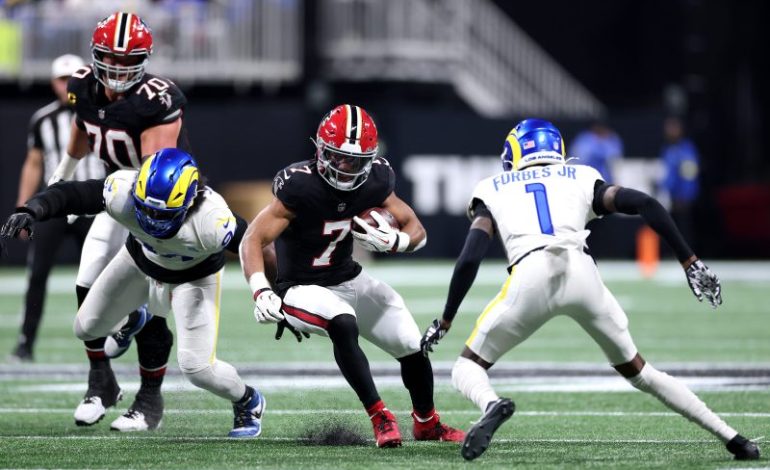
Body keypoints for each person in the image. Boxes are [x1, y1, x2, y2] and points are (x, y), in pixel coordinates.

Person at [420, 119, 760, 461]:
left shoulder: (492, 187)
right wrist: (690, 261)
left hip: (531, 274)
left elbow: (470, 257)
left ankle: (491, 404)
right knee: (642, 372)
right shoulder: (580, 176)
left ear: (514, 153)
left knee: (466, 368)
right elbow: (646, 203)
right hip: (582, 272)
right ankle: (734, 438)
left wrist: (447, 318)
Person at [239, 104, 465, 447]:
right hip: (300, 287)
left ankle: (427, 423)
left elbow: (416, 229)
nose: (346, 167)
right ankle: (380, 416)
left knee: (410, 343)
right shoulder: (300, 185)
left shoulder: (376, 179)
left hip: (347, 276)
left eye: (356, 161)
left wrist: (397, 241)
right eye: (339, 157)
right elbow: (253, 239)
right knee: (343, 322)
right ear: (320, 150)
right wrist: (261, 290)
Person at [1, 148, 267, 438]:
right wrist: (32, 209)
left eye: (161, 213)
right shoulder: (122, 190)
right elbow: (72, 194)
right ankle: (134, 318)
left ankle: (248, 401)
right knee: (86, 327)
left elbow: (255, 245)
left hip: (194, 277)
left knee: (198, 368)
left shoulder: (212, 221)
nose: (152, 219)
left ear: (190, 200)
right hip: (140, 261)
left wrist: (271, 290)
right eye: (146, 208)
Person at [45, 12, 187, 431]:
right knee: (86, 282)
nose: (120, 68)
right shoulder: (82, 85)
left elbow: (152, 173)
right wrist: (64, 174)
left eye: (129, 60)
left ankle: (150, 399)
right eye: (112, 58)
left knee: (153, 305)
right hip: (116, 196)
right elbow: (83, 126)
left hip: (159, 206)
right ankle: (101, 381)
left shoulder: (158, 99)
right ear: (96, 55)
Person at [9, 53, 105, 362]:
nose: (66, 85)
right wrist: (23, 206)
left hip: (93, 204)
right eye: (62, 80)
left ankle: (107, 341)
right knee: (37, 273)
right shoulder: (43, 119)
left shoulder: (102, 112)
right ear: (53, 83)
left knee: (104, 273)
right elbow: (34, 163)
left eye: (71, 78)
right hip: (55, 205)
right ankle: (25, 343)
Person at [660, 116, 700, 244]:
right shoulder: (667, 149)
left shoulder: (687, 149)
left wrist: (684, 196)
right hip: (670, 200)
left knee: (684, 232)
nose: (670, 131)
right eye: (668, 128)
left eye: (673, 127)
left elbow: (689, 175)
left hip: (683, 201)